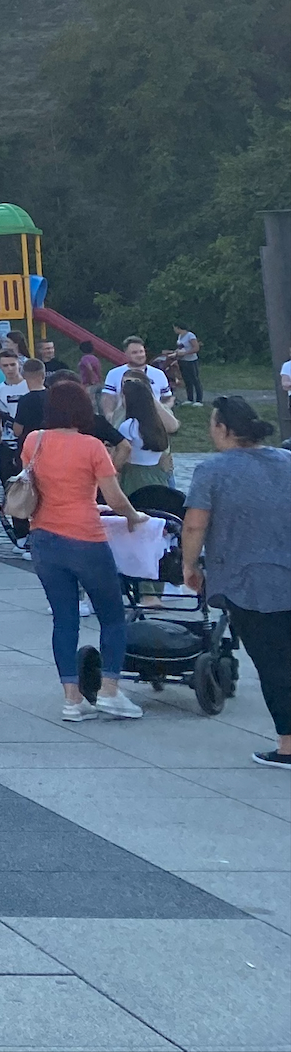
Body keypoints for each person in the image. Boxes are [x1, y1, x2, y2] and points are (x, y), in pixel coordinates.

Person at [23, 380, 150, 722]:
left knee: (64, 619)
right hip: (85, 537)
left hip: (43, 537)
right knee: (112, 616)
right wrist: (134, 516)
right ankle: (109, 690)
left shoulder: (34, 441)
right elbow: (114, 498)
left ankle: (72, 699)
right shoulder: (92, 446)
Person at [180, 396, 291, 767]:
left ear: (224, 429)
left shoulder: (212, 470)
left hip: (248, 582)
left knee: (274, 664)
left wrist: (189, 565)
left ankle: (288, 745)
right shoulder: (287, 460)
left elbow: (194, 524)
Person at [172, 328, 203, 406]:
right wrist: (176, 352)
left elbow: (196, 348)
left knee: (195, 379)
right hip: (182, 360)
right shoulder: (180, 336)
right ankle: (190, 398)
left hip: (191, 361)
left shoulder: (190, 335)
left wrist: (186, 353)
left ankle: (199, 400)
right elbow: (180, 347)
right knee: (186, 380)